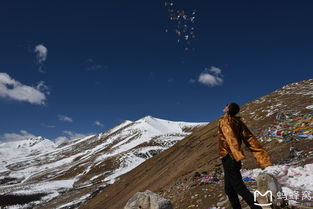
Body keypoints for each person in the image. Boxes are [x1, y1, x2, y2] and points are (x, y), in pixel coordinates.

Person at [218, 103, 272, 209]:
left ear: (228, 109)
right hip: (233, 157)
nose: (224, 106)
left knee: (239, 187)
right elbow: (249, 139)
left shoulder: (225, 120)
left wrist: (235, 155)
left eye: (226, 105)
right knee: (229, 190)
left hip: (230, 157)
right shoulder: (238, 122)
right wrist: (262, 158)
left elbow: (231, 139)